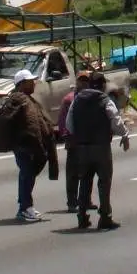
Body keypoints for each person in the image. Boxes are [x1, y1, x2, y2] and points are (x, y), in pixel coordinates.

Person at [66, 72, 131, 230]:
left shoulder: (78, 100)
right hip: (101, 147)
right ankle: (105, 217)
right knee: (104, 183)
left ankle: (82, 216)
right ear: (102, 85)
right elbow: (115, 120)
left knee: (85, 181)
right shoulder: (105, 100)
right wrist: (124, 134)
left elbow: (69, 123)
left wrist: (79, 135)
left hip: (82, 147)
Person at [0, 69, 58, 222]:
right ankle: (25, 208)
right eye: (30, 81)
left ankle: (25, 206)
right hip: (24, 146)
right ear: (22, 84)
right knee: (27, 175)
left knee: (28, 175)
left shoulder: (27, 99)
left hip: (29, 146)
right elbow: (20, 123)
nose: (33, 84)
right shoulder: (17, 100)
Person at [58, 71, 95, 212]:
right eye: (81, 80)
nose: (84, 83)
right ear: (77, 82)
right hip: (74, 142)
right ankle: (72, 202)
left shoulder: (93, 98)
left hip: (89, 141)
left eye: (86, 81)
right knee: (73, 174)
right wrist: (67, 136)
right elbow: (62, 121)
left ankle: (86, 200)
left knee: (89, 172)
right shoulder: (69, 99)